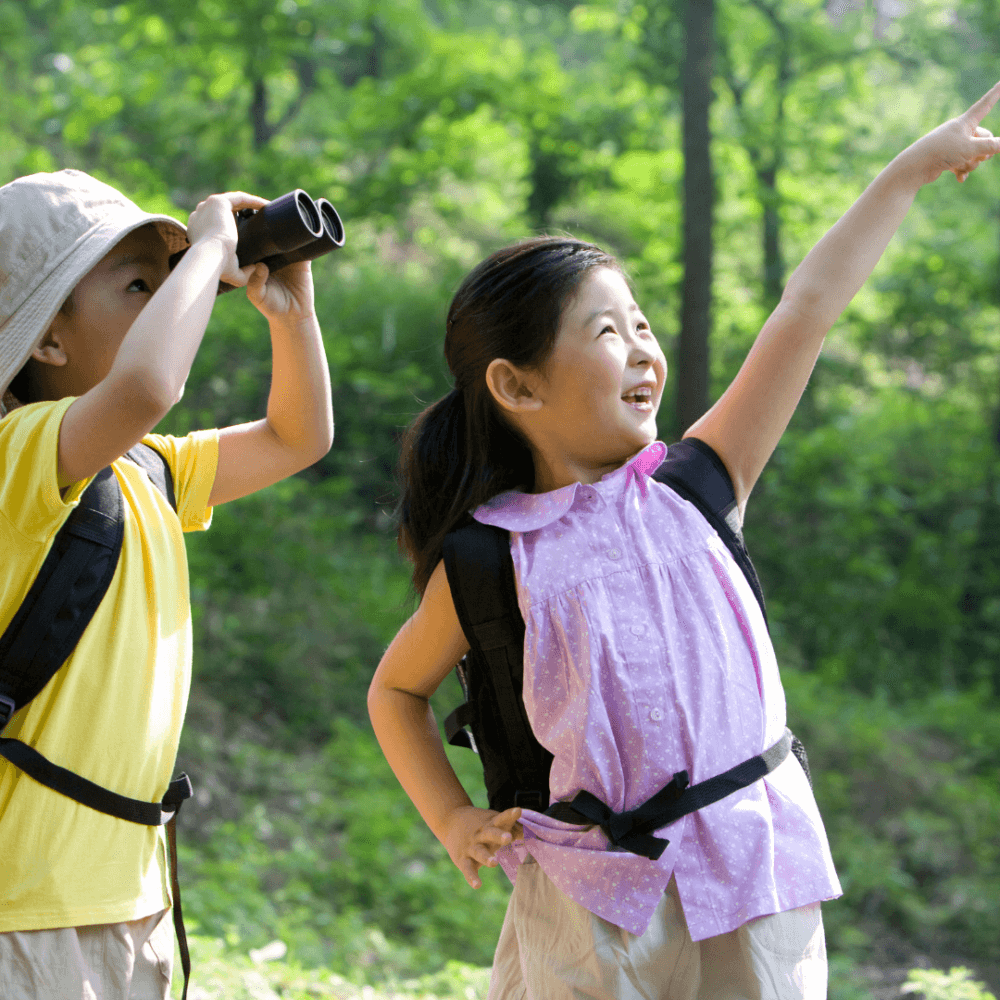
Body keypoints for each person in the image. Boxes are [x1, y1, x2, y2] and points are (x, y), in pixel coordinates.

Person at [367, 84, 1000, 999]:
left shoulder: (698, 484)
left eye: (643, 327)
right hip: (590, 900)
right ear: (518, 386)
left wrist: (910, 170)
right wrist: (453, 818)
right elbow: (396, 689)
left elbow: (806, 309)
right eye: (605, 332)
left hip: (753, 870)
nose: (640, 350)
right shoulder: (490, 557)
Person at [0, 169, 333, 999]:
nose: (172, 298)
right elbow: (148, 387)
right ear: (46, 340)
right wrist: (212, 244)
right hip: (27, 904)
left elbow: (299, 436)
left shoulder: (148, 467)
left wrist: (293, 317)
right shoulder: (21, 454)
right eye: (140, 284)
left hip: (131, 894)